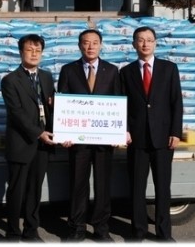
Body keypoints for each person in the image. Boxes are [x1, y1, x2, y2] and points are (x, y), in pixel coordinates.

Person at [119, 26, 183, 242]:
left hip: (163, 138)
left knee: (163, 188)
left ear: (155, 43)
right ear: (134, 44)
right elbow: (122, 104)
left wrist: (175, 132)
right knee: (137, 188)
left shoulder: (169, 69)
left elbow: (176, 102)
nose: (145, 44)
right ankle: (138, 231)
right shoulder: (126, 72)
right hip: (137, 139)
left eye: (149, 39)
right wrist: (125, 129)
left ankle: (164, 233)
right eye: (140, 40)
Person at [58, 29, 122, 242]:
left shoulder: (112, 71)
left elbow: (118, 101)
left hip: (104, 140)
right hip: (78, 140)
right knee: (78, 184)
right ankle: (77, 227)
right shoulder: (68, 70)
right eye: (86, 42)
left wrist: (118, 132)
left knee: (103, 184)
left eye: (95, 42)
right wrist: (63, 133)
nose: (91, 46)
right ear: (79, 46)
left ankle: (101, 228)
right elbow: (62, 103)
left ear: (101, 45)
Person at [1, 34, 56, 242]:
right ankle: (13, 231)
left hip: (43, 145)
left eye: (38, 50)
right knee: (17, 190)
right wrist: (38, 133)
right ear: (20, 52)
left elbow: (53, 106)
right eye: (29, 50)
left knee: (35, 189)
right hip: (22, 142)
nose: (34, 54)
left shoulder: (46, 77)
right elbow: (16, 113)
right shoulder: (10, 80)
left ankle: (31, 231)